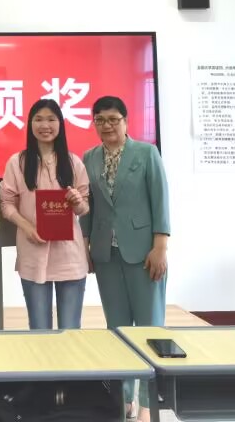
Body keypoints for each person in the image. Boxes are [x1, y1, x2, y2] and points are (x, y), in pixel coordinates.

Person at [81, 96, 170, 422]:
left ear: (126, 121)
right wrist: (86, 245)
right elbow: (88, 206)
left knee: (149, 329)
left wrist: (160, 246)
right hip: (106, 253)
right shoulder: (89, 157)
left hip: (144, 253)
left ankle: (147, 403)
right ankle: (125, 399)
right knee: (116, 329)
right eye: (100, 120)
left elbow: (161, 200)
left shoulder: (146, 153)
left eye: (113, 119)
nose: (107, 126)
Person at [0, 99, 90, 330]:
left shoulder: (73, 162)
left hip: (69, 256)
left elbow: (84, 208)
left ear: (60, 123)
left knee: (70, 329)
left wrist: (78, 202)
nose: (45, 125)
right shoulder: (17, 163)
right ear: (30, 124)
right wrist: (26, 227)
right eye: (38, 119)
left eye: (51, 119)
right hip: (33, 253)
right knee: (39, 329)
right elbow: (7, 204)